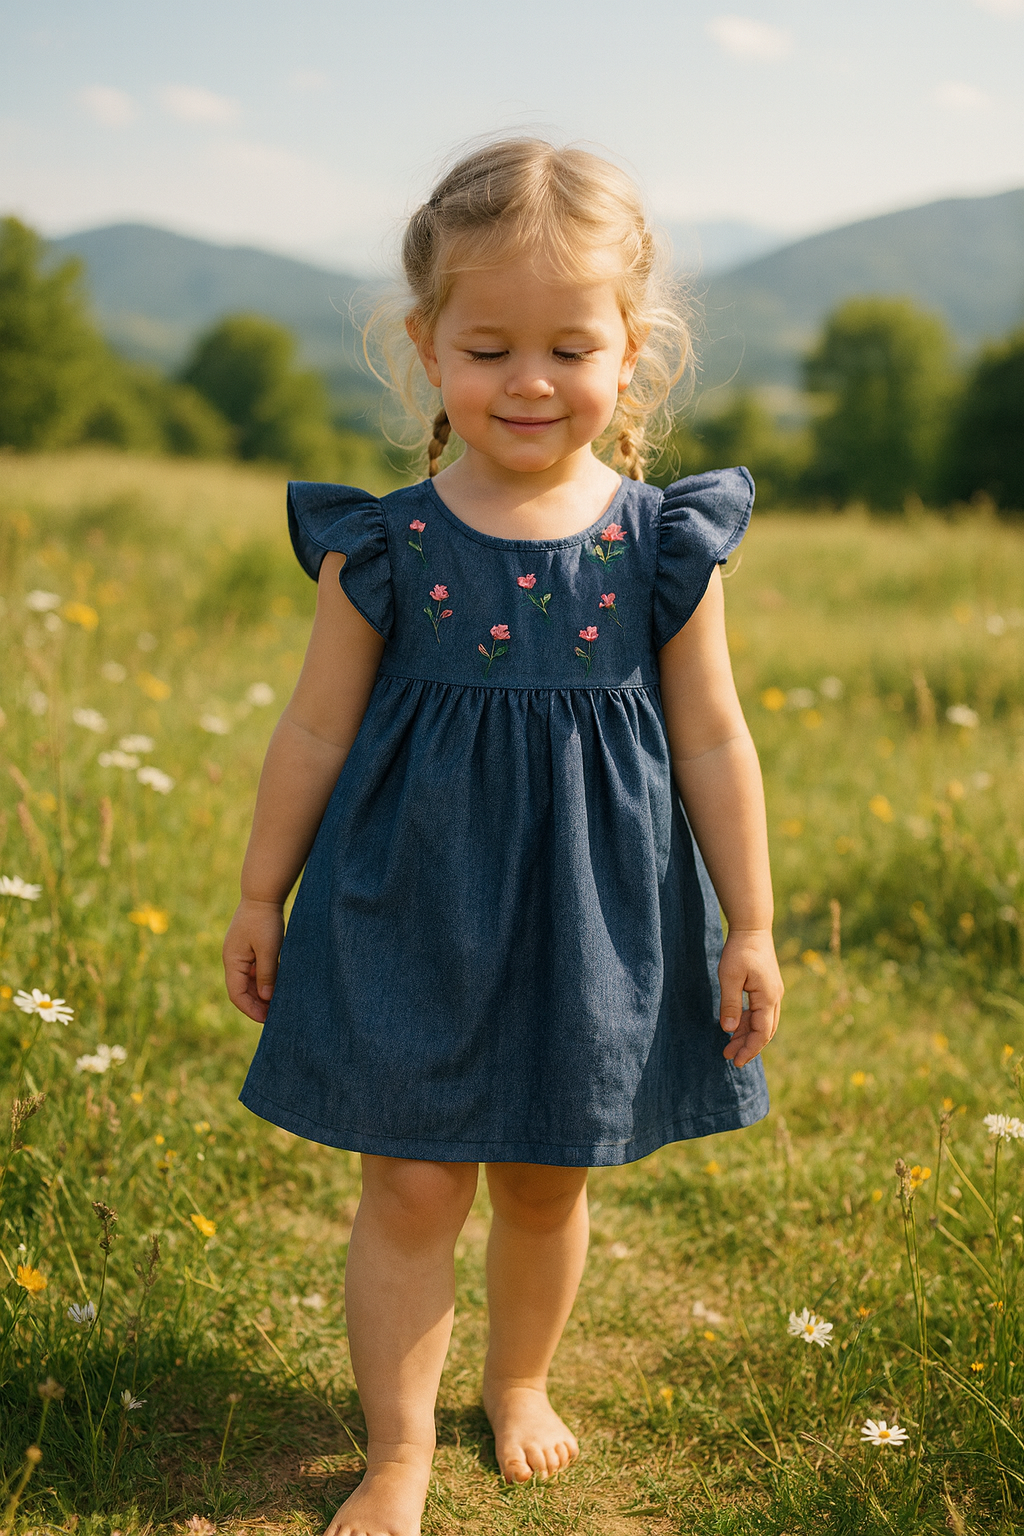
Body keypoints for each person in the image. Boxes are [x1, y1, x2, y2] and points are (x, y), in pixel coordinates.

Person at [224, 137, 783, 1536]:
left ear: (631, 352)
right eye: (487, 347)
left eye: (566, 346)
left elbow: (715, 740)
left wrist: (754, 923)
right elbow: (312, 734)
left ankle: (519, 1381)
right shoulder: (384, 547)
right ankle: (397, 1454)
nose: (528, 382)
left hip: (593, 909)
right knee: (412, 1185)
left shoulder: (664, 545)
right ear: (424, 348)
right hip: (409, 903)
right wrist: (256, 893)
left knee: (544, 1176)